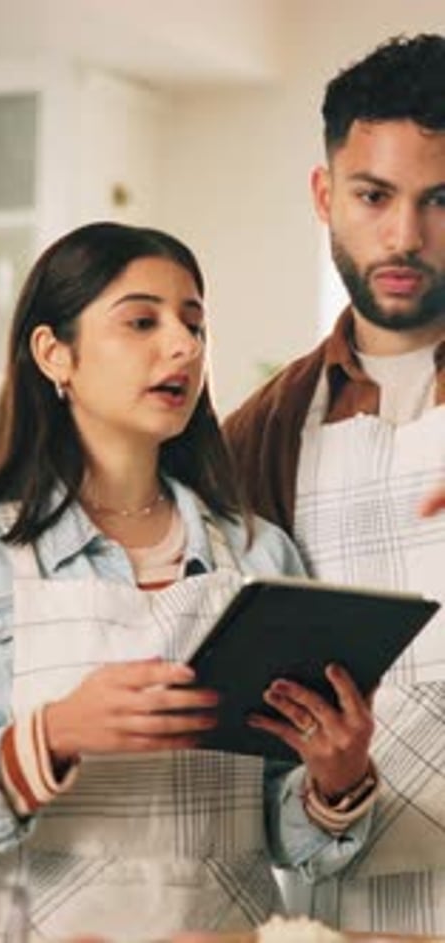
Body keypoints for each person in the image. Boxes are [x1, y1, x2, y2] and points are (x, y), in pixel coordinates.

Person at [0, 222, 377, 941]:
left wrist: (335, 782)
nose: (183, 346)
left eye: (195, 324)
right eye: (142, 320)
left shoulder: (258, 554)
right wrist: (53, 734)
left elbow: (282, 831)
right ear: (55, 353)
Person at [225, 33, 445, 937]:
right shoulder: (256, 438)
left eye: (441, 201)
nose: (404, 236)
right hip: (343, 910)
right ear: (325, 197)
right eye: (373, 196)